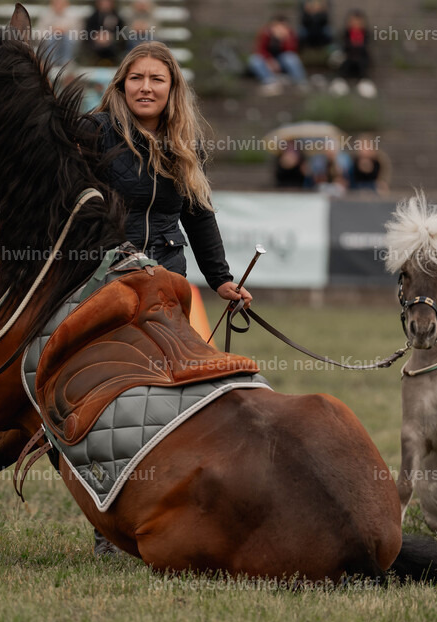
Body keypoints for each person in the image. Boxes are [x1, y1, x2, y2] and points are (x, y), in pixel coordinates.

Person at [86, 42, 251, 553]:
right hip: (106, 280)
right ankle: (105, 524)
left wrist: (221, 278)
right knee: (116, 401)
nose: (146, 88)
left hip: (169, 284)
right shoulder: (94, 134)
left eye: (157, 79)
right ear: (120, 84)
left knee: (185, 392)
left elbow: (199, 215)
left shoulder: (186, 143)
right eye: (136, 78)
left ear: (172, 89)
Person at [248, 16, 307, 96]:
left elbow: (292, 50)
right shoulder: (265, 34)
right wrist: (269, 60)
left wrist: (285, 40)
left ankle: (300, 81)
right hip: (268, 63)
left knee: (290, 57)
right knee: (254, 59)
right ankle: (270, 81)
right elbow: (260, 50)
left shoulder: (290, 34)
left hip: (282, 62)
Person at [35, 0, 81, 67]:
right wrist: (53, 32)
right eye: (56, 3)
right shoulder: (46, 16)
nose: (58, 5)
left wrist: (64, 32)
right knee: (52, 38)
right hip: (50, 41)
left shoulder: (73, 16)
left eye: (60, 3)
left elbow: (79, 33)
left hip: (68, 42)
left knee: (66, 38)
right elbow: (39, 33)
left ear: (66, 4)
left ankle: (66, 62)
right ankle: (51, 62)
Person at [84, 0, 124, 64]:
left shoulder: (117, 17)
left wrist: (111, 37)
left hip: (113, 42)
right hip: (95, 42)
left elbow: (121, 31)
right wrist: (96, 36)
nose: (105, 4)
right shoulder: (93, 17)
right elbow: (87, 31)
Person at [338, 10, 370, 81]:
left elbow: (364, 46)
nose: (356, 24)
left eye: (358, 22)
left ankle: (362, 79)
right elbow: (345, 46)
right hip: (348, 56)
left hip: (361, 56)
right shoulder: (346, 33)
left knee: (362, 62)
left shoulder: (365, 33)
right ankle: (342, 79)